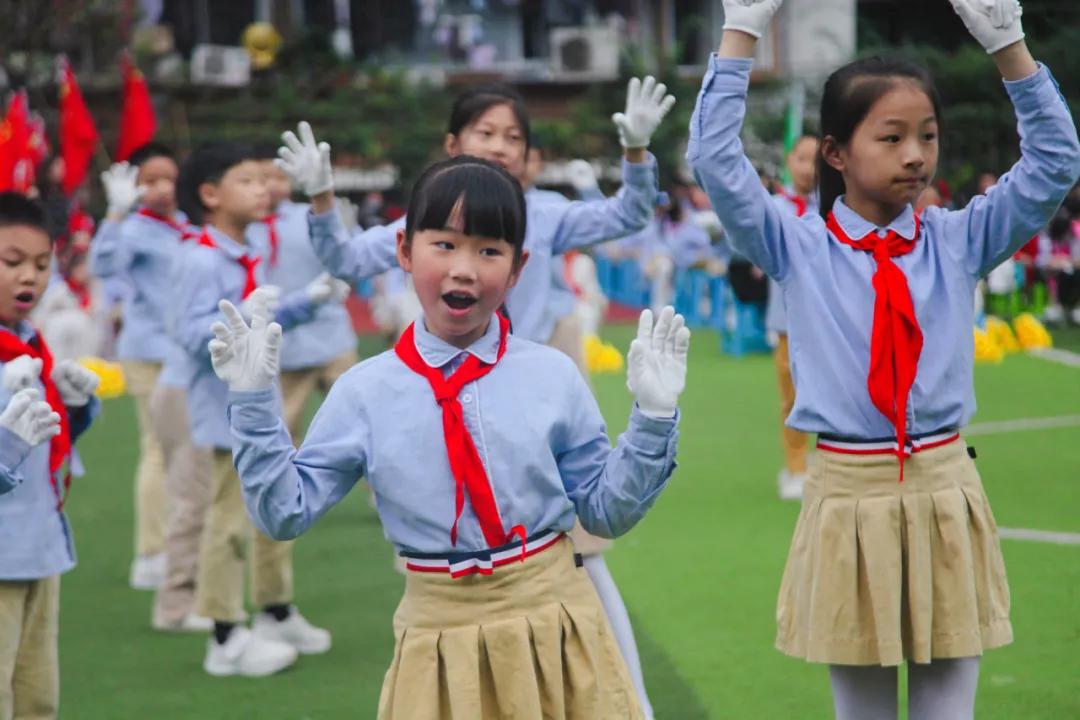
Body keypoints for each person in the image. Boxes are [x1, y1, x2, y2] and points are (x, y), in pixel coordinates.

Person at [689, 1, 1080, 717]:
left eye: (927, 135)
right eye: (892, 137)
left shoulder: (957, 240)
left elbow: (1054, 163)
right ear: (836, 153)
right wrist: (740, 34)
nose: (915, 155)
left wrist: (1012, 50)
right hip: (847, 494)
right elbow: (717, 163)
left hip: (944, 486)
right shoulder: (798, 247)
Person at [211, 156, 688, 718]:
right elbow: (283, 513)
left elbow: (606, 512)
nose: (464, 269)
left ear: (518, 267)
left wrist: (654, 418)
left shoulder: (552, 374)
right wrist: (253, 403)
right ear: (404, 251)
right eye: (444, 245)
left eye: (489, 251)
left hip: (557, 622)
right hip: (437, 638)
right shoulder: (364, 391)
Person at [170, 142, 338, 677]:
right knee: (227, 522)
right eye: (246, 181)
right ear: (210, 195)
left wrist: (308, 300)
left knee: (273, 505)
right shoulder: (199, 257)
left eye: (262, 180)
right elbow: (190, 333)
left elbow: (263, 315)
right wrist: (241, 318)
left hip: (258, 407)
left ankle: (274, 609)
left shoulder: (245, 250)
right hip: (225, 412)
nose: (263, 189)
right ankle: (224, 634)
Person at [0, 191, 101, 719]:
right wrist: (9, 444)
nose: (30, 277)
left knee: (37, 697)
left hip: (38, 547)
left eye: (42, 265)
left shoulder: (29, 344)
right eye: (12, 261)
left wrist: (76, 408)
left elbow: (49, 449)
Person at [88, 144, 185, 590]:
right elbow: (102, 264)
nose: (163, 188)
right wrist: (114, 214)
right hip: (149, 351)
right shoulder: (134, 229)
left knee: (184, 452)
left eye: (169, 179)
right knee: (158, 449)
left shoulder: (184, 226)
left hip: (184, 351)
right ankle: (151, 553)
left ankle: (174, 543)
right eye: (152, 181)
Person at [767, 136, 818, 500]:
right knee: (792, 396)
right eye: (802, 158)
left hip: (828, 317)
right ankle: (796, 466)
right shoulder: (774, 208)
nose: (808, 168)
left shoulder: (836, 207)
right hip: (787, 318)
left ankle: (829, 462)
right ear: (789, 160)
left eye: (815, 160)